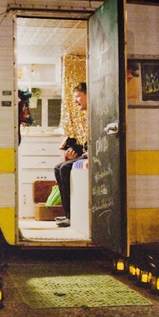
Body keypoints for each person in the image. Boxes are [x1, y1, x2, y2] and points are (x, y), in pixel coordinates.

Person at [53, 82, 87, 227]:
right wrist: (78, 152)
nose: (75, 101)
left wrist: (83, 154)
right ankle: (68, 213)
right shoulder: (87, 115)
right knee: (58, 167)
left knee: (65, 168)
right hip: (87, 154)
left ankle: (73, 216)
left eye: (78, 96)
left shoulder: (96, 113)